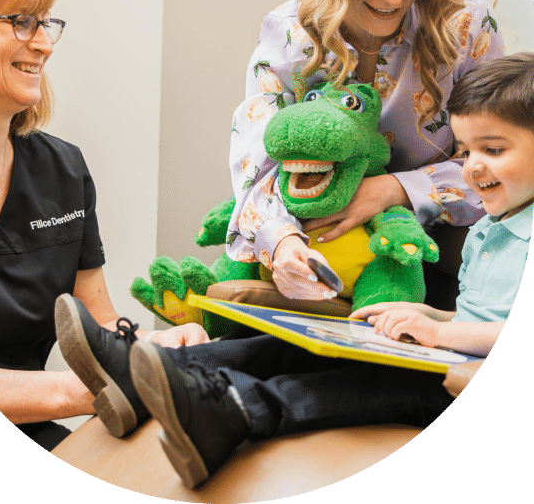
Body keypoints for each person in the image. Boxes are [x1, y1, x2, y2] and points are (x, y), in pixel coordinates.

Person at [55, 53, 532, 487]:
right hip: (453, 359)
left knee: (373, 382)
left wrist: (442, 335)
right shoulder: (491, 228)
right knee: (301, 344)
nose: (470, 169)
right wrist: (425, 316)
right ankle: (144, 377)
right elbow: (477, 318)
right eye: (466, 152)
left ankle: (239, 412)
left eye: (492, 151)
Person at [0, 0, 207, 452]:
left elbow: (94, 323)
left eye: (47, 24)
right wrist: (86, 390)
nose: (44, 43)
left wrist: (151, 351)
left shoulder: (61, 169)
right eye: (21, 22)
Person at [226, 0, 504, 302]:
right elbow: (257, 164)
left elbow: (504, 163)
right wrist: (282, 243)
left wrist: (395, 190)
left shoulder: (466, 27)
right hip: (324, 246)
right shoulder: (289, 34)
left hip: (439, 255)